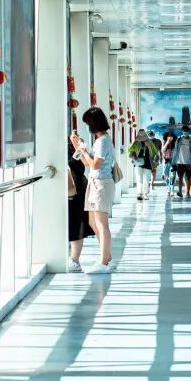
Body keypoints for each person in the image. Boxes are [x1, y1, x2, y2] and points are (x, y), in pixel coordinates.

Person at [70, 107, 115, 274]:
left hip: (101, 184)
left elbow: (95, 165)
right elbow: (86, 162)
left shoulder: (103, 141)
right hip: (95, 183)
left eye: (87, 123)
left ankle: (103, 261)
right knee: (92, 222)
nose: (87, 127)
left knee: (102, 224)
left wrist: (83, 150)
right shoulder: (99, 140)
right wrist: (79, 147)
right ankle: (106, 256)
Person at [66, 141, 95, 272]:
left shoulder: (73, 149)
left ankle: (74, 259)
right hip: (78, 189)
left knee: (75, 225)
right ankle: (74, 259)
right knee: (76, 225)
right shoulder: (75, 148)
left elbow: (84, 163)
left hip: (75, 191)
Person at [127, 129, 159, 200]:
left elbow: (155, 153)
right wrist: (134, 157)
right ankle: (139, 194)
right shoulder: (136, 143)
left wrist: (155, 163)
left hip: (148, 163)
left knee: (146, 179)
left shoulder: (149, 143)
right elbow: (130, 152)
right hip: (138, 163)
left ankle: (145, 194)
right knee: (139, 179)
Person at [171, 125, 191, 198]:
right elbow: (175, 151)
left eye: (186, 131)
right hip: (180, 162)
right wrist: (173, 162)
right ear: (182, 132)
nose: (185, 132)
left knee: (189, 178)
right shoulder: (179, 140)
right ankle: (180, 191)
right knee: (180, 178)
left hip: (189, 163)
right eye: (184, 131)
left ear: (189, 132)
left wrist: (190, 163)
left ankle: (188, 192)